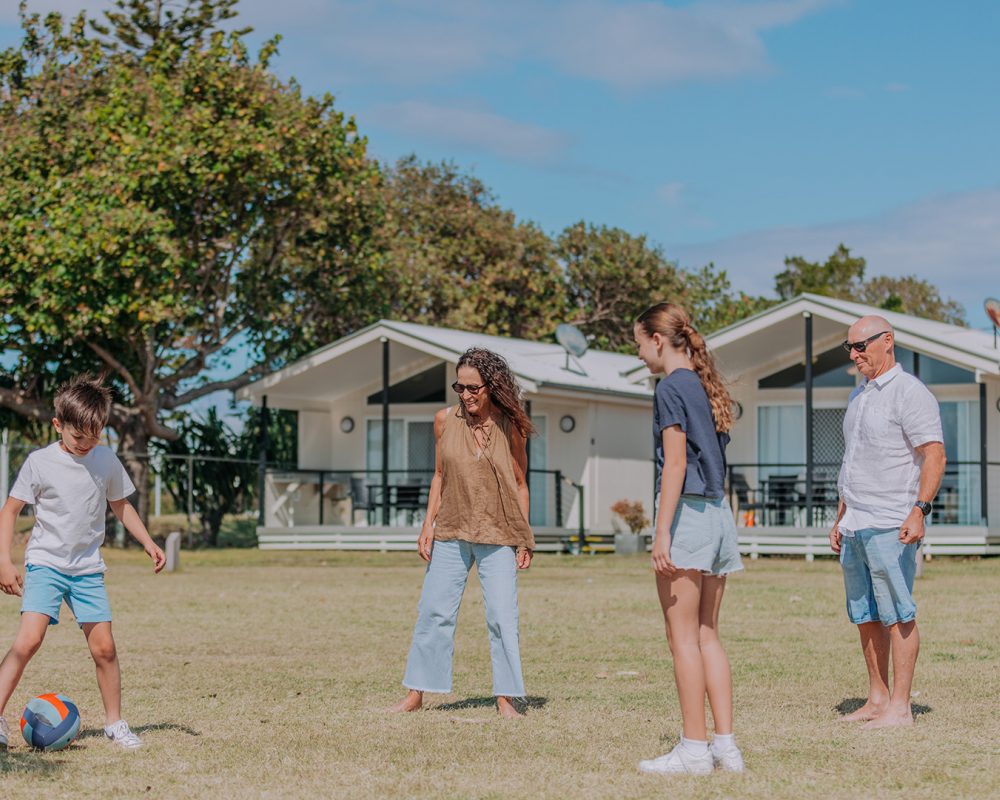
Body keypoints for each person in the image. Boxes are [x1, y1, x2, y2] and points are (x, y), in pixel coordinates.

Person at [0, 375, 166, 750]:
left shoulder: (105, 459)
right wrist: (3, 562)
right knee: (28, 641)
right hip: (45, 564)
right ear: (58, 425)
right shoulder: (39, 462)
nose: (86, 443)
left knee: (105, 649)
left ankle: (115, 723)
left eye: (95, 435)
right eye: (78, 437)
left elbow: (120, 504)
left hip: (87, 568)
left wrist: (147, 542)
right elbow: (9, 511)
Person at [387, 348, 535, 719]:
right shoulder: (443, 421)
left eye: (473, 388)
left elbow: (520, 484)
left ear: (492, 386)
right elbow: (439, 476)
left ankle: (506, 698)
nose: (466, 395)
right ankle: (415, 695)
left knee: (502, 617)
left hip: (499, 533)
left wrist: (523, 536)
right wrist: (427, 525)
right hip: (451, 531)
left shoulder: (511, 426)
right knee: (433, 614)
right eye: (460, 387)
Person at [632, 303, 744, 776]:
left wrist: (661, 531)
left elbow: (675, 465)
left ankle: (694, 751)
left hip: (690, 516)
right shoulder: (703, 384)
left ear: (657, 340)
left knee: (682, 640)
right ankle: (725, 748)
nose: (638, 353)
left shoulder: (669, 388)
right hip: (719, 515)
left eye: (638, 342)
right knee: (707, 635)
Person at [829, 316, 945, 729]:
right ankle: (877, 698)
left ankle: (901, 707)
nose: (854, 354)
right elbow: (854, 460)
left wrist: (920, 509)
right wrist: (841, 516)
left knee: (897, 613)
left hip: (891, 522)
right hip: (856, 522)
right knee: (865, 615)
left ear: (888, 341)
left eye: (860, 346)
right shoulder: (858, 397)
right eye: (849, 348)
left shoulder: (910, 393)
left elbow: (934, 454)